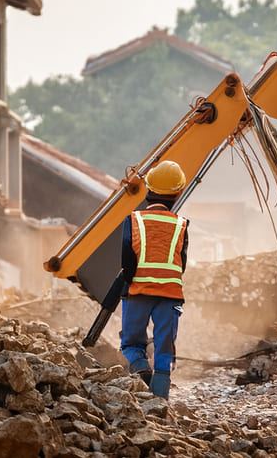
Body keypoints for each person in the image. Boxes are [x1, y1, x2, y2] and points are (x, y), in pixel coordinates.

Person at [118, 160, 190, 400]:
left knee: (130, 344)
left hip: (139, 291)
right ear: (178, 192)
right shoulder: (181, 225)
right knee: (164, 349)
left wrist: (131, 283)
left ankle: (142, 373)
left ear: (148, 189)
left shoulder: (134, 220)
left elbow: (127, 260)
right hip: (170, 294)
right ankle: (160, 401)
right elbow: (183, 262)